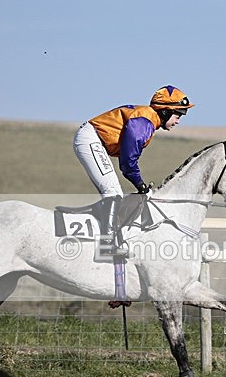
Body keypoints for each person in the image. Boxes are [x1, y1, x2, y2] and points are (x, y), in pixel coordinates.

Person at [73, 85, 194, 256]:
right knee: (113, 191)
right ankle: (107, 246)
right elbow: (128, 163)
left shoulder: (148, 120)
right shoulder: (144, 122)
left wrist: (140, 184)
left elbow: (128, 161)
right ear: (166, 111)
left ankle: (112, 237)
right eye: (178, 114)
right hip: (91, 139)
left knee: (114, 191)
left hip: (95, 140)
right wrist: (140, 185)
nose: (179, 120)